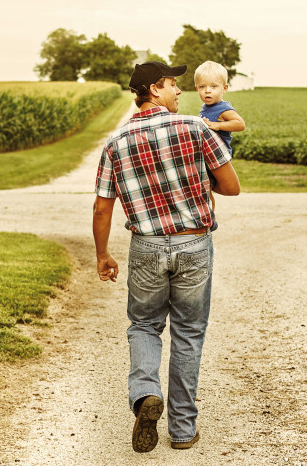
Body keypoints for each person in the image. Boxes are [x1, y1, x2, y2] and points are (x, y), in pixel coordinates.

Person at [92, 60, 240, 453]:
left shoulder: (115, 142)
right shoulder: (195, 127)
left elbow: (103, 208)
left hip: (146, 246)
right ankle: (182, 430)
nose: (179, 91)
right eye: (173, 84)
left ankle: (144, 395)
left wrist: (103, 253)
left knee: (143, 326)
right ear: (154, 89)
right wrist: (192, 183)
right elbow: (231, 186)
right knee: (188, 333)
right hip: (194, 243)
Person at [195, 60, 246, 217]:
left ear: (225, 88)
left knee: (207, 188)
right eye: (202, 87)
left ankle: (209, 216)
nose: (207, 91)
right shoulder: (206, 107)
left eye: (213, 87)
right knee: (204, 188)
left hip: (218, 155)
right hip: (207, 154)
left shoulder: (223, 108)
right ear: (197, 88)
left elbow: (240, 124)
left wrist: (217, 125)